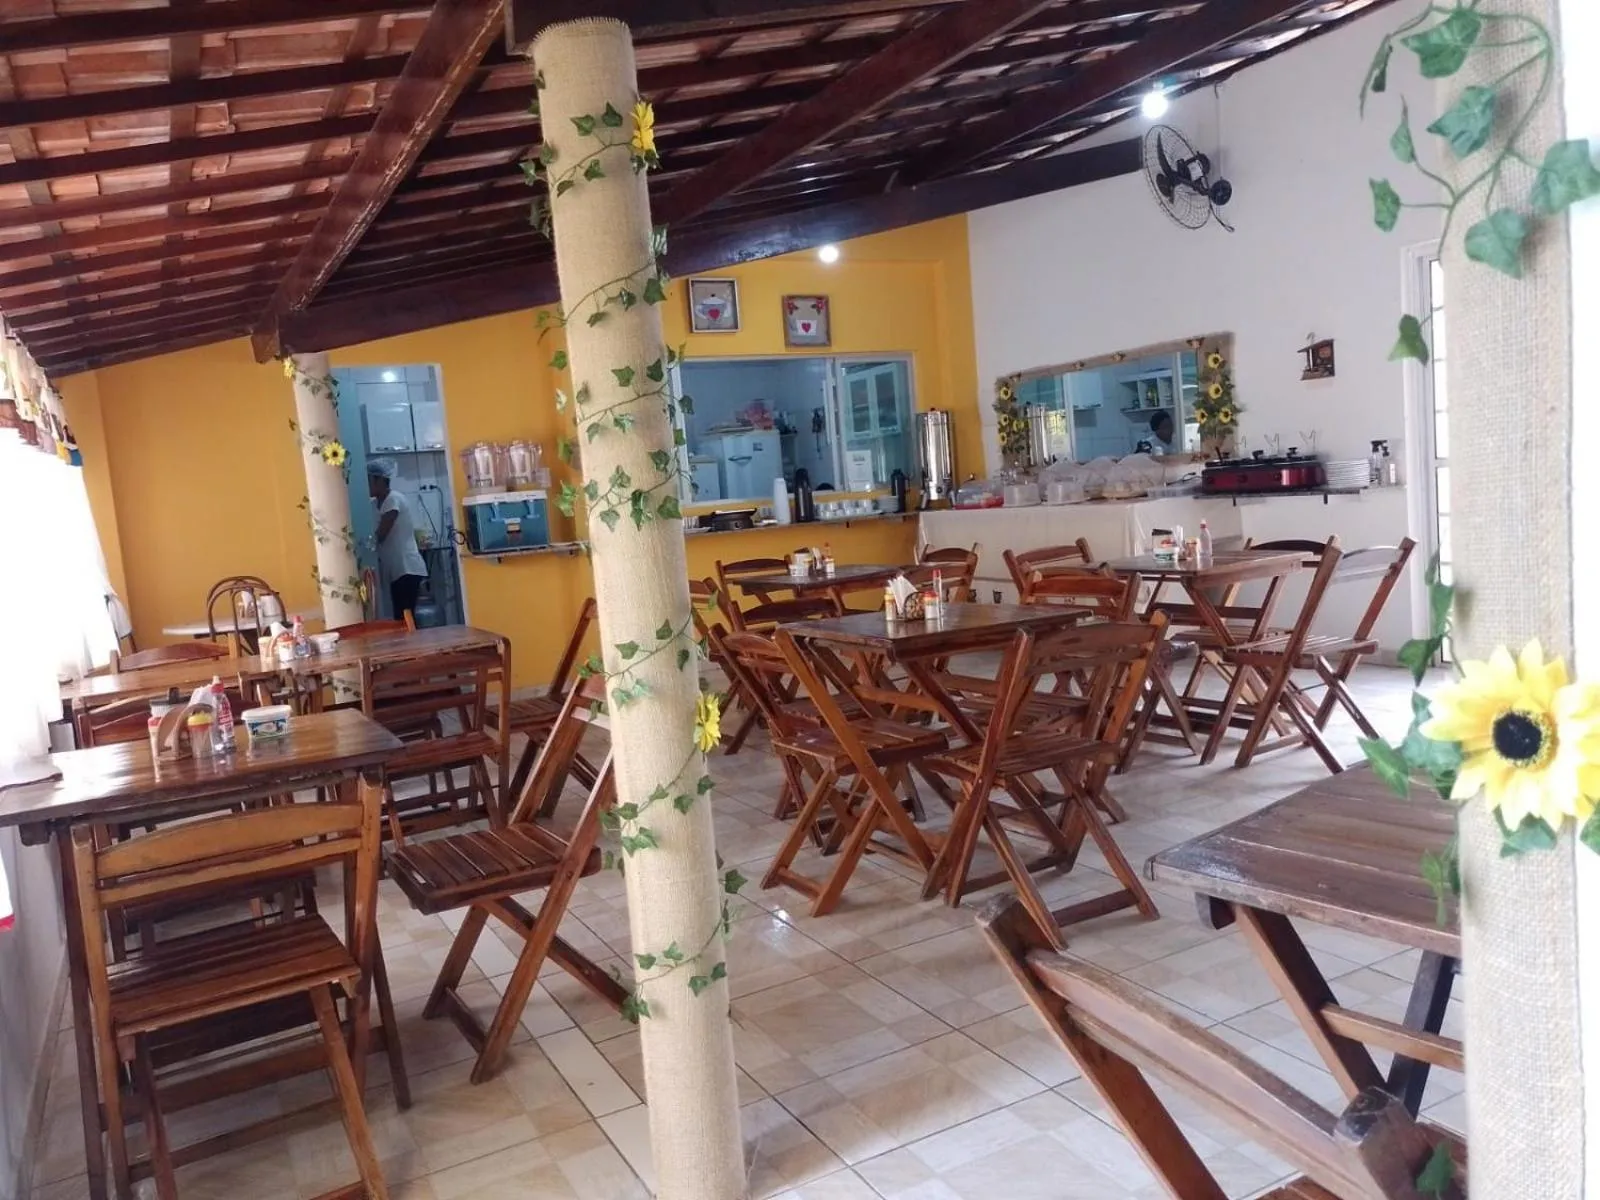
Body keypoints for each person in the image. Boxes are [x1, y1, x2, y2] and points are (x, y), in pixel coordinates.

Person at [367, 459, 429, 621]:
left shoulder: (393, 499)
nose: (366, 486)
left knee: (405, 616)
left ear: (380, 480)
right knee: (400, 616)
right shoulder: (374, 504)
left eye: (369, 481)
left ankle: (415, 646)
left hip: (407, 568)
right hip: (396, 569)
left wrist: (366, 544)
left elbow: (381, 534)